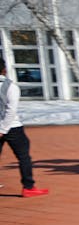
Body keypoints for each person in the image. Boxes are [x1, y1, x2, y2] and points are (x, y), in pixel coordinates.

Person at [0, 60, 48, 197]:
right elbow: (11, 110)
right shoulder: (10, 87)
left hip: (6, 127)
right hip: (12, 127)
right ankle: (28, 187)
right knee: (23, 157)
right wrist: (3, 129)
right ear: (4, 69)